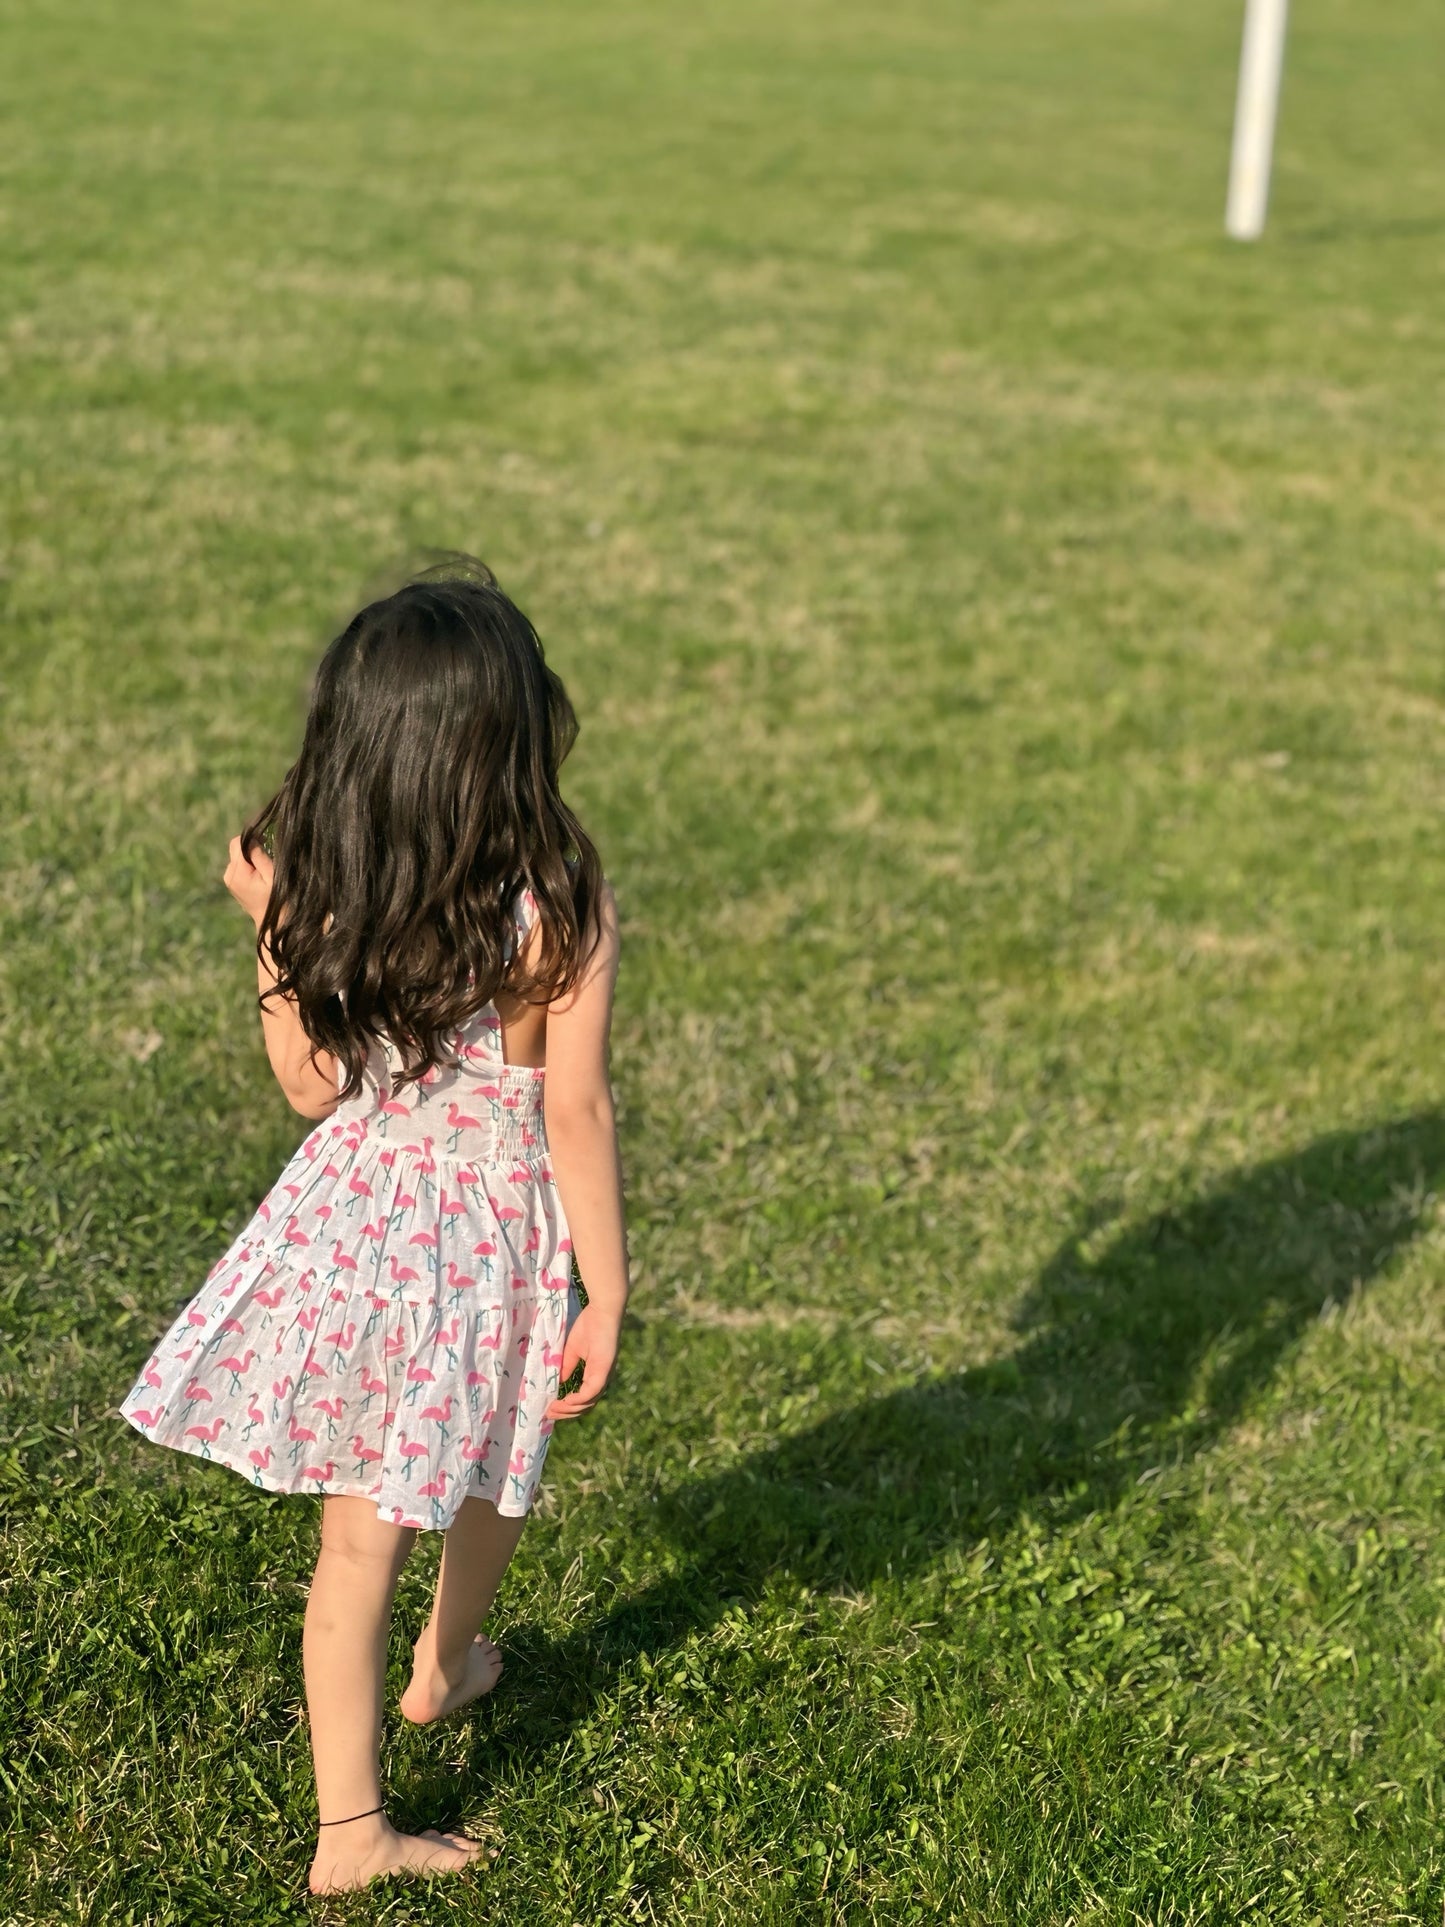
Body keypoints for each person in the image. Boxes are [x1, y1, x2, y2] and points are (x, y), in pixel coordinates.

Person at [121, 558, 627, 1893]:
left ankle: (354, 1824)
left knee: (360, 1539)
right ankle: (445, 1664)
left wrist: (279, 923)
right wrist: (607, 1289)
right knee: (487, 1466)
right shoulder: (556, 896)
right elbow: (570, 1109)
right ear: (511, 743)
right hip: (494, 1251)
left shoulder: (344, 897)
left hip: (357, 1237)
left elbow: (307, 1090)